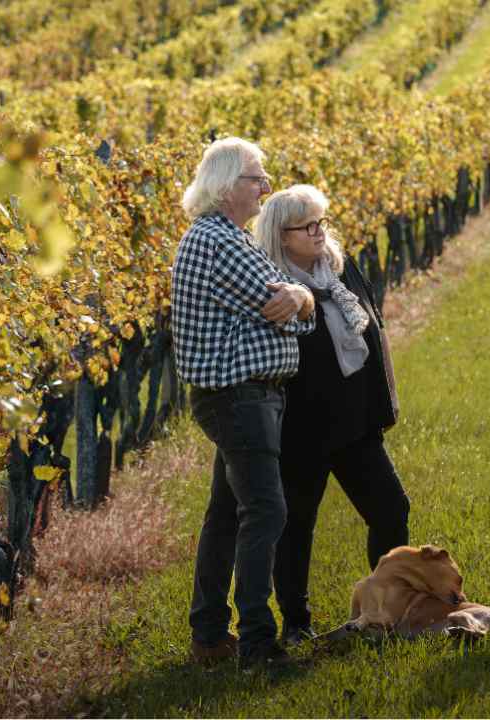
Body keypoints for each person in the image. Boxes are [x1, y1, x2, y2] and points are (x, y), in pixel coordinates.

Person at [171, 137, 316, 671]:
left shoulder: (223, 236)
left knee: (227, 514)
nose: (266, 187)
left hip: (237, 396)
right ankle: (258, 644)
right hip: (239, 397)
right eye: (258, 177)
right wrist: (301, 299)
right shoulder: (220, 241)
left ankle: (209, 633)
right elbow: (285, 305)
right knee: (266, 509)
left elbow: (296, 301)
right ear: (227, 185)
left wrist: (300, 298)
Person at [254, 185, 409, 645]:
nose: (319, 233)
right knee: (297, 525)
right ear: (281, 236)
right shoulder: (273, 287)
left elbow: (375, 329)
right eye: (307, 226)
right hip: (300, 427)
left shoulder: (339, 271)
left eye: (322, 222)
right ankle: (297, 623)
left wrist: (387, 400)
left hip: (355, 423)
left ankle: (384, 609)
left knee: (391, 509)